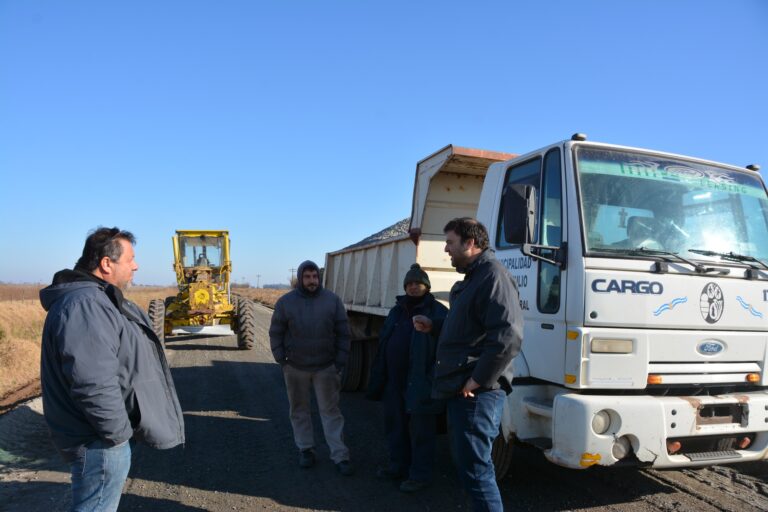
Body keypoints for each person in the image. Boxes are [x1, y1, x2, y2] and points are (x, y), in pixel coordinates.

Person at [39, 227, 185, 512]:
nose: (136, 265)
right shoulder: (86, 305)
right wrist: (118, 435)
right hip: (100, 443)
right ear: (106, 263)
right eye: (130, 258)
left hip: (101, 439)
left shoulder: (94, 300)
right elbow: (92, 382)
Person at [413, 217, 523, 512]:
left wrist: (479, 379)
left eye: (450, 242)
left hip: (476, 394)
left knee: (476, 470)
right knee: (469, 468)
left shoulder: (492, 277)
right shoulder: (474, 279)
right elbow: (468, 329)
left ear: (470, 243)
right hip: (463, 388)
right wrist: (434, 325)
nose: (446, 249)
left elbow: (508, 336)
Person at [366, 264, 448, 493]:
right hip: (395, 381)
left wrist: (433, 378)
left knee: (422, 432)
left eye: (418, 283)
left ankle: (420, 475)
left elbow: (447, 348)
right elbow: (384, 342)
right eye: (410, 283)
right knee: (395, 427)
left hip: (421, 383)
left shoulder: (438, 312)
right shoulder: (396, 311)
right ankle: (397, 467)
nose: (413, 287)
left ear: (427, 286)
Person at [269, 260, 354, 475]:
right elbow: (276, 332)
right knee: (299, 411)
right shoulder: (285, 303)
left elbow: (344, 333)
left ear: (319, 278)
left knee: (331, 412)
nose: (312, 281)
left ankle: (340, 455)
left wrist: (339, 362)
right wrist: (282, 359)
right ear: (300, 278)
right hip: (295, 368)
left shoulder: (332, 301)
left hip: (326, 368)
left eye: (315, 277)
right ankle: (306, 449)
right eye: (307, 277)